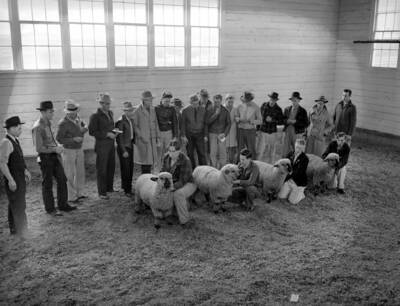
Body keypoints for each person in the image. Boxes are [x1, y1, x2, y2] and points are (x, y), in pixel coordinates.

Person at [32, 101, 76, 214]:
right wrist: (54, 149)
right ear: (43, 112)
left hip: (53, 156)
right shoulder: (38, 127)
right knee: (47, 184)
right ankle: (50, 208)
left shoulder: (48, 123)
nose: (53, 113)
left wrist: (57, 146)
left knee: (62, 179)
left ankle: (63, 204)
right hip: (45, 157)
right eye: (50, 111)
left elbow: (50, 140)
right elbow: (39, 148)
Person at [0, 116, 31, 236]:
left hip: (19, 176)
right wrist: (10, 180)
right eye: (18, 127)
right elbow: (2, 163)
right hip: (13, 178)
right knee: (18, 204)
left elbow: (18, 159)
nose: (20, 129)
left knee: (16, 202)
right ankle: (21, 229)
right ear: (11, 128)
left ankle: (14, 228)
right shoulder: (6, 142)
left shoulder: (15, 140)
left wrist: (25, 171)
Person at [56, 100, 88, 204]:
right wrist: (73, 139)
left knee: (80, 172)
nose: (74, 113)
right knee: (69, 173)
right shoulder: (63, 123)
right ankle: (71, 196)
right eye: (71, 111)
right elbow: (59, 139)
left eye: (75, 110)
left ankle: (80, 192)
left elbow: (83, 127)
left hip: (79, 148)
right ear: (67, 112)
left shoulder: (79, 119)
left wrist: (84, 129)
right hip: (68, 149)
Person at [161, 140, 196, 227]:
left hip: (188, 183)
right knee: (161, 190)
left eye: (174, 151)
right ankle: (172, 212)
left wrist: (171, 188)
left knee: (178, 194)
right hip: (173, 182)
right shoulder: (166, 157)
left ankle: (184, 220)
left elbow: (183, 180)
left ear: (179, 151)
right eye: (169, 151)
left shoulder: (185, 160)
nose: (171, 153)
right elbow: (162, 171)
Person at [88, 93, 117, 200]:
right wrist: (106, 134)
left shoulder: (110, 113)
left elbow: (111, 127)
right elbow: (92, 131)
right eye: (105, 103)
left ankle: (109, 187)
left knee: (111, 166)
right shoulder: (95, 116)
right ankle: (102, 192)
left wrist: (114, 132)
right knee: (102, 168)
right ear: (101, 103)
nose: (108, 105)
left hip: (110, 144)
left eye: (109, 103)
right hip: (101, 145)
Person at [133, 90, 161, 174]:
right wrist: (141, 136)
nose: (151, 101)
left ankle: (150, 179)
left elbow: (156, 123)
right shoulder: (137, 110)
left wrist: (158, 137)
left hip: (152, 139)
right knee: (145, 162)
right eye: (149, 100)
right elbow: (135, 126)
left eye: (151, 99)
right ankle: (145, 179)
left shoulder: (152, 109)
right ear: (143, 100)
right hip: (143, 140)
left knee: (152, 161)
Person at [181, 94, 208, 169]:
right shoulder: (185, 111)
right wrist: (183, 136)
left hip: (200, 134)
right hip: (189, 135)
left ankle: (204, 170)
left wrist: (205, 135)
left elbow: (205, 123)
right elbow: (183, 124)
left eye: (197, 103)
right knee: (190, 153)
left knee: (202, 153)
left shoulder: (203, 109)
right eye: (193, 104)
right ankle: (192, 170)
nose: (195, 105)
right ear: (190, 103)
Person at [279, 138, 309, 204]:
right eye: (296, 147)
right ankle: (289, 191)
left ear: (303, 149)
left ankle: (301, 194)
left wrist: (286, 177)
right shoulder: (291, 153)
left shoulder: (305, 159)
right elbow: (285, 162)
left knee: (292, 202)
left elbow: (298, 172)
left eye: (299, 148)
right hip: (289, 179)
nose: (297, 149)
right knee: (281, 196)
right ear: (295, 145)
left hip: (298, 182)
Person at [206, 94, 231, 169]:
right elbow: (207, 122)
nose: (217, 103)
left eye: (218, 102)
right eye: (215, 102)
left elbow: (229, 123)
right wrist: (216, 114)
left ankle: (223, 168)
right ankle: (213, 168)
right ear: (213, 101)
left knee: (223, 153)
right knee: (213, 153)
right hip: (212, 134)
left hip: (222, 134)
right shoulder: (209, 109)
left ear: (221, 101)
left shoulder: (225, 110)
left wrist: (225, 133)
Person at [116, 102, 136, 197]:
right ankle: (127, 190)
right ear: (124, 111)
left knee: (130, 168)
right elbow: (119, 138)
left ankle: (126, 186)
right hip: (124, 147)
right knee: (126, 169)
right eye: (128, 110)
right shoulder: (121, 121)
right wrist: (123, 150)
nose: (130, 112)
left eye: (131, 110)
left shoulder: (130, 120)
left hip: (130, 145)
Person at [257, 91, 284, 163]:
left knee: (272, 151)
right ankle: (259, 165)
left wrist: (272, 120)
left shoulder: (278, 109)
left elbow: (281, 121)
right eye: (271, 99)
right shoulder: (263, 105)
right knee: (261, 150)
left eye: (274, 100)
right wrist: (257, 129)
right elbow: (259, 117)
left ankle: (270, 166)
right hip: (263, 131)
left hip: (272, 132)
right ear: (269, 98)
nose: (272, 101)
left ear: (276, 100)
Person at [235, 91, 262, 160]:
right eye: (245, 100)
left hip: (250, 131)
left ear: (250, 99)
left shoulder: (256, 107)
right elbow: (236, 117)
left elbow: (260, 121)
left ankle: (253, 164)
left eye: (247, 100)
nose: (246, 101)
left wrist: (251, 121)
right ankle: (240, 165)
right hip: (240, 130)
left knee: (251, 149)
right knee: (240, 149)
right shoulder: (239, 106)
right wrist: (239, 119)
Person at [282, 92, 309, 157]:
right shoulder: (287, 109)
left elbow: (306, 123)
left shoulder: (303, 111)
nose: (293, 102)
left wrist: (296, 122)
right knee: (285, 150)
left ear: (299, 100)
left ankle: (297, 163)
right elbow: (282, 120)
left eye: (295, 100)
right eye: (292, 100)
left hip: (297, 133)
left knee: (297, 150)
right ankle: (286, 163)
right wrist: (287, 121)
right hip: (287, 132)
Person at [155, 91, 178, 160]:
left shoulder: (172, 108)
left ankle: (167, 168)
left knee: (169, 152)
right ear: (162, 100)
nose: (167, 103)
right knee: (159, 152)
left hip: (169, 132)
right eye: (165, 101)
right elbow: (154, 122)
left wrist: (175, 136)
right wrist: (156, 137)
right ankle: (159, 169)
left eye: (168, 101)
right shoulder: (156, 108)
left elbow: (175, 122)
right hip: (160, 133)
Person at [224, 94, 238, 164]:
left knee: (232, 148)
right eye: (229, 102)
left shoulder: (235, 109)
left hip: (233, 131)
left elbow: (238, 118)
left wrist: (237, 119)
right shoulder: (222, 108)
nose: (230, 103)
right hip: (224, 132)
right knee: (224, 148)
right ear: (225, 101)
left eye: (231, 102)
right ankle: (225, 163)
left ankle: (231, 163)